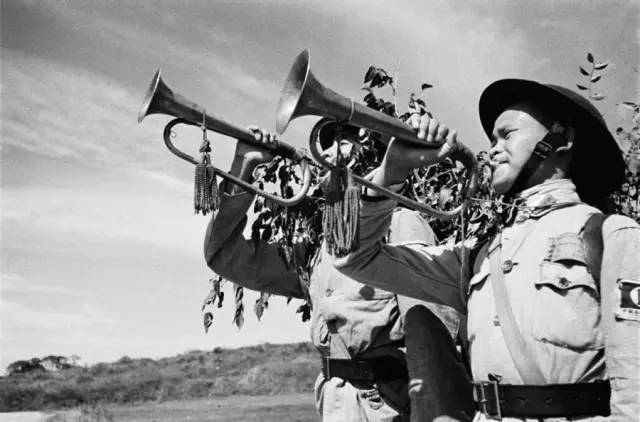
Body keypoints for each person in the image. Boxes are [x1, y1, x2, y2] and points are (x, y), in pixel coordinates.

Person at [335, 79, 640, 420]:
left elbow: (635, 392)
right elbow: (355, 259)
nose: (493, 150)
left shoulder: (611, 236)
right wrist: (390, 173)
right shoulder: (479, 255)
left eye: (507, 135)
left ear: (562, 140)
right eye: (492, 140)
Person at [204, 120, 466, 421]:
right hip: (336, 406)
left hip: (391, 408)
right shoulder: (316, 247)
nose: (328, 154)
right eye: (326, 145)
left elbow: (432, 346)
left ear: (374, 157)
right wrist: (244, 165)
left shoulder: (400, 223)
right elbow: (223, 255)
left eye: (343, 141)